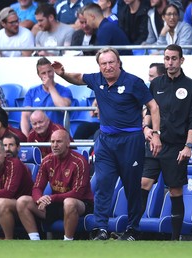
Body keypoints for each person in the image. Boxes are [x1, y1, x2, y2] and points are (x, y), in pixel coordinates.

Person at [51, 47, 162, 240]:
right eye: (104, 63)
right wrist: (62, 74)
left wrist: (156, 134)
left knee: (132, 187)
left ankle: (133, 229)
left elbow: (153, 106)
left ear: (119, 63)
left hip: (130, 141)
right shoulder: (97, 79)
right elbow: (78, 77)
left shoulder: (134, 82)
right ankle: (100, 228)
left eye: (111, 62)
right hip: (105, 141)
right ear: (99, 66)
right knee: (103, 184)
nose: (108, 67)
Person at [141, 44, 192, 241]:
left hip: (176, 147)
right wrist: (146, 128)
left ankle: (175, 239)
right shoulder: (156, 84)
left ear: (182, 60)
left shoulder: (191, 87)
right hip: (154, 143)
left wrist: (188, 146)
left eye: (174, 58)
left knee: (175, 190)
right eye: (167, 58)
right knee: (143, 183)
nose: (170, 62)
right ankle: (133, 231)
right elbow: (149, 111)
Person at [17, 129, 94, 241]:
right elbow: (37, 187)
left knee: (69, 202)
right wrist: (39, 199)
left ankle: (68, 241)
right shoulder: (47, 161)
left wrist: (51, 198)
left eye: (59, 142)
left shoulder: (79, 162)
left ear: (68, 143)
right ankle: (35, 241)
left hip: (81, 204)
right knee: (22, 201)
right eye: (52, 142)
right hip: (56, 203)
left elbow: (77, 193)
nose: (54, 145)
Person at [21, 57, 73, 137]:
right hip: (37, 135)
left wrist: (50, 87)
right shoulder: (32, 92)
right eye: (43, 73)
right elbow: (25, 116)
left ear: (53, 71)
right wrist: (26, 137)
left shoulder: (64, 90)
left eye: (49, 71)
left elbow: (63, 107)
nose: (47, 75)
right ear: (39, 75)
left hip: (57, 134)